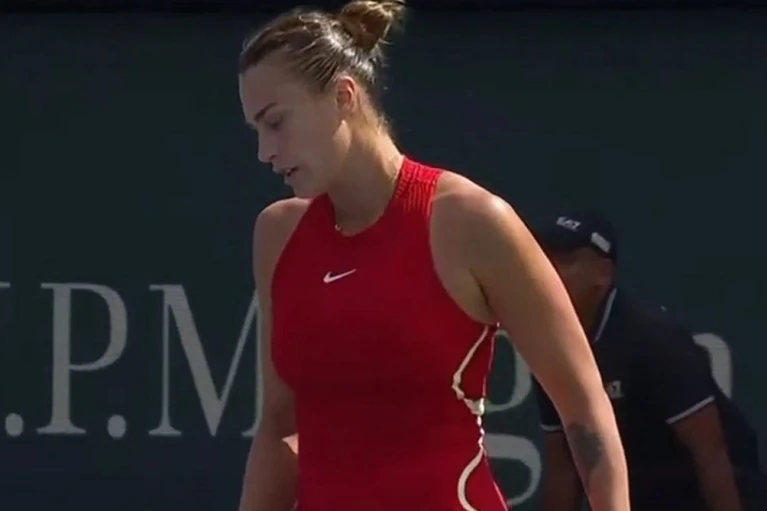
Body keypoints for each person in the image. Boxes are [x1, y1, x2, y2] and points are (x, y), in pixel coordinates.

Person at [235, 2, 630, 510]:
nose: (264, 151)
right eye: (257, 130)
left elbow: (584, 408)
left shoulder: (471, 220)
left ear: (343, 96)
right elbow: (279, 427)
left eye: (276, 122)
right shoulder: (277, 234)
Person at [532, 210, 767, 511]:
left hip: (712, 494)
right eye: (544, 260)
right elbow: (564, 465)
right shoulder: (547, 344)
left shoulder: (652, 337)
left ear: (603, 273)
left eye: (567, 261)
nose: (551, 272)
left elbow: (710, 452)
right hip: (639, 494)